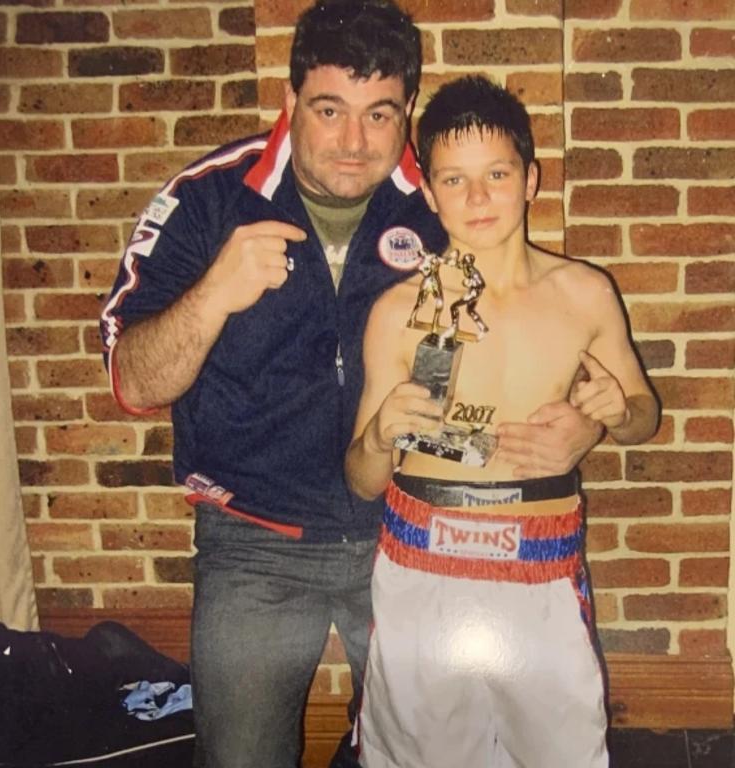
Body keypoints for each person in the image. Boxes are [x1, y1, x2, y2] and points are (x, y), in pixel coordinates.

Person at [99, 1, 603, 765]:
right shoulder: (210, 201)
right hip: (254, 543)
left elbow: (534, 355)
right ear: (292, 100)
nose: (353, 142)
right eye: (330, 110)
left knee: (436, 756)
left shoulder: (441, 206)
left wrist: (586, 422)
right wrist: (215, 292)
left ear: (406, 114)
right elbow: (135, 383)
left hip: (406, 533)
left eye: (380, 115)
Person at [345, 74, 660, 768]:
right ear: (428, 194)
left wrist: (608, 419)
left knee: (561, 755)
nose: (478, 198)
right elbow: (363, 481)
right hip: (423, 561)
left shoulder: (582, 293)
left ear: (530, 180)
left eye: (495, 174)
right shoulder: (398, 311)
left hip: (538, 564)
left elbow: (644, 414)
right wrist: (376, 437)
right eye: (454, 181)